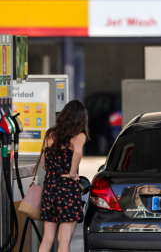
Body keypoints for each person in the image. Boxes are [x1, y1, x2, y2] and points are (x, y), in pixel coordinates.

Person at [38, 100, 89, 252]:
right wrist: (72, 172)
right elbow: (78, 152)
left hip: (50, 189)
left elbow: (43, 165)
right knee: (64, 240)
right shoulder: (78, 135)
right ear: (81, 118)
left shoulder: (50, 134)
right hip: (67, 189)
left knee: (47, 239)